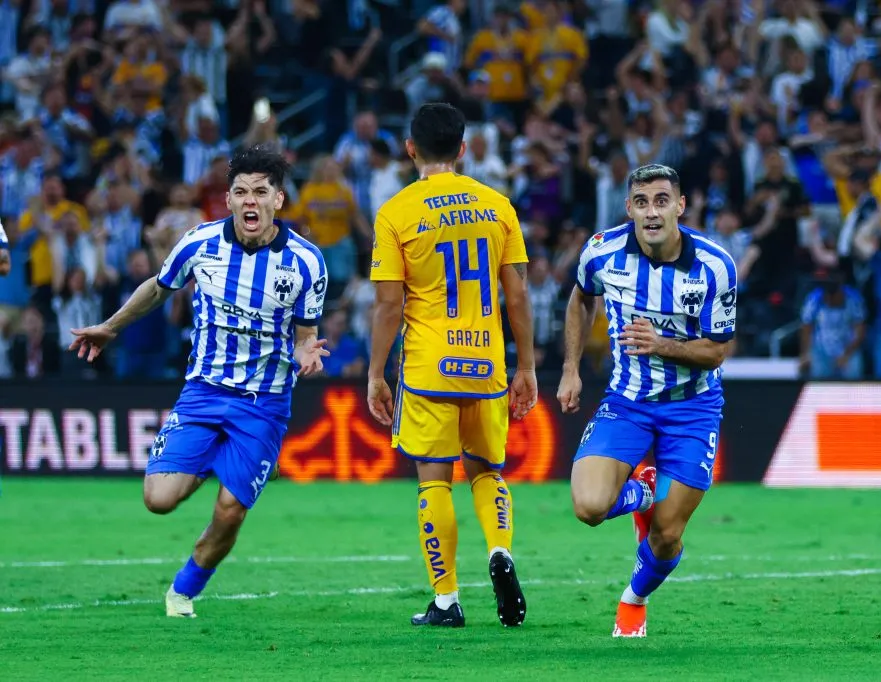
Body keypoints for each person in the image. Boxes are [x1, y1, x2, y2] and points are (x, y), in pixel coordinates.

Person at [68, 145, 329, 618]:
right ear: (227, 200)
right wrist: (111, 325)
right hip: (203, 393)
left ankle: (183, 591)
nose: (251, 201)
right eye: (241, 192)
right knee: (158, 500)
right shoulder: (198, 242)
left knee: (230, 509)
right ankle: (214, 459)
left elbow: (305, 335)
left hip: (263, 403)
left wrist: (306, 352)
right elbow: (157, 287)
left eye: (261, 192)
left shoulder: (306, 262)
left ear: (279, 201)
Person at [366, 103, 537, 629]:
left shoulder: (397, 212)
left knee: (434, 482)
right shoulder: (497, 206)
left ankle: (446, 600)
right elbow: (518, 294)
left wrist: (376, 374)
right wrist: (526, 365)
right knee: (487, 471)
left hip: (428, 367)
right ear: (463, 149)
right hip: (486, 362)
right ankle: (500, 551)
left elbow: (389, 305)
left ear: (410, 148)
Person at [557, 164, 737, 638]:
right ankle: (640, 492)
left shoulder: (716, 266)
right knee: (589, 506)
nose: (651, 211)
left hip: (693, 408)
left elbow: (718, 350)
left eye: (661, 200)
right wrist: (571, 369)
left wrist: (664, 345)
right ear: (629, 208)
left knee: (666, 535)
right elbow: (580, 299)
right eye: (641, 201)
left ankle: (634, 597)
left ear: (681, 205)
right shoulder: (602, 251)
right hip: (628, 401)